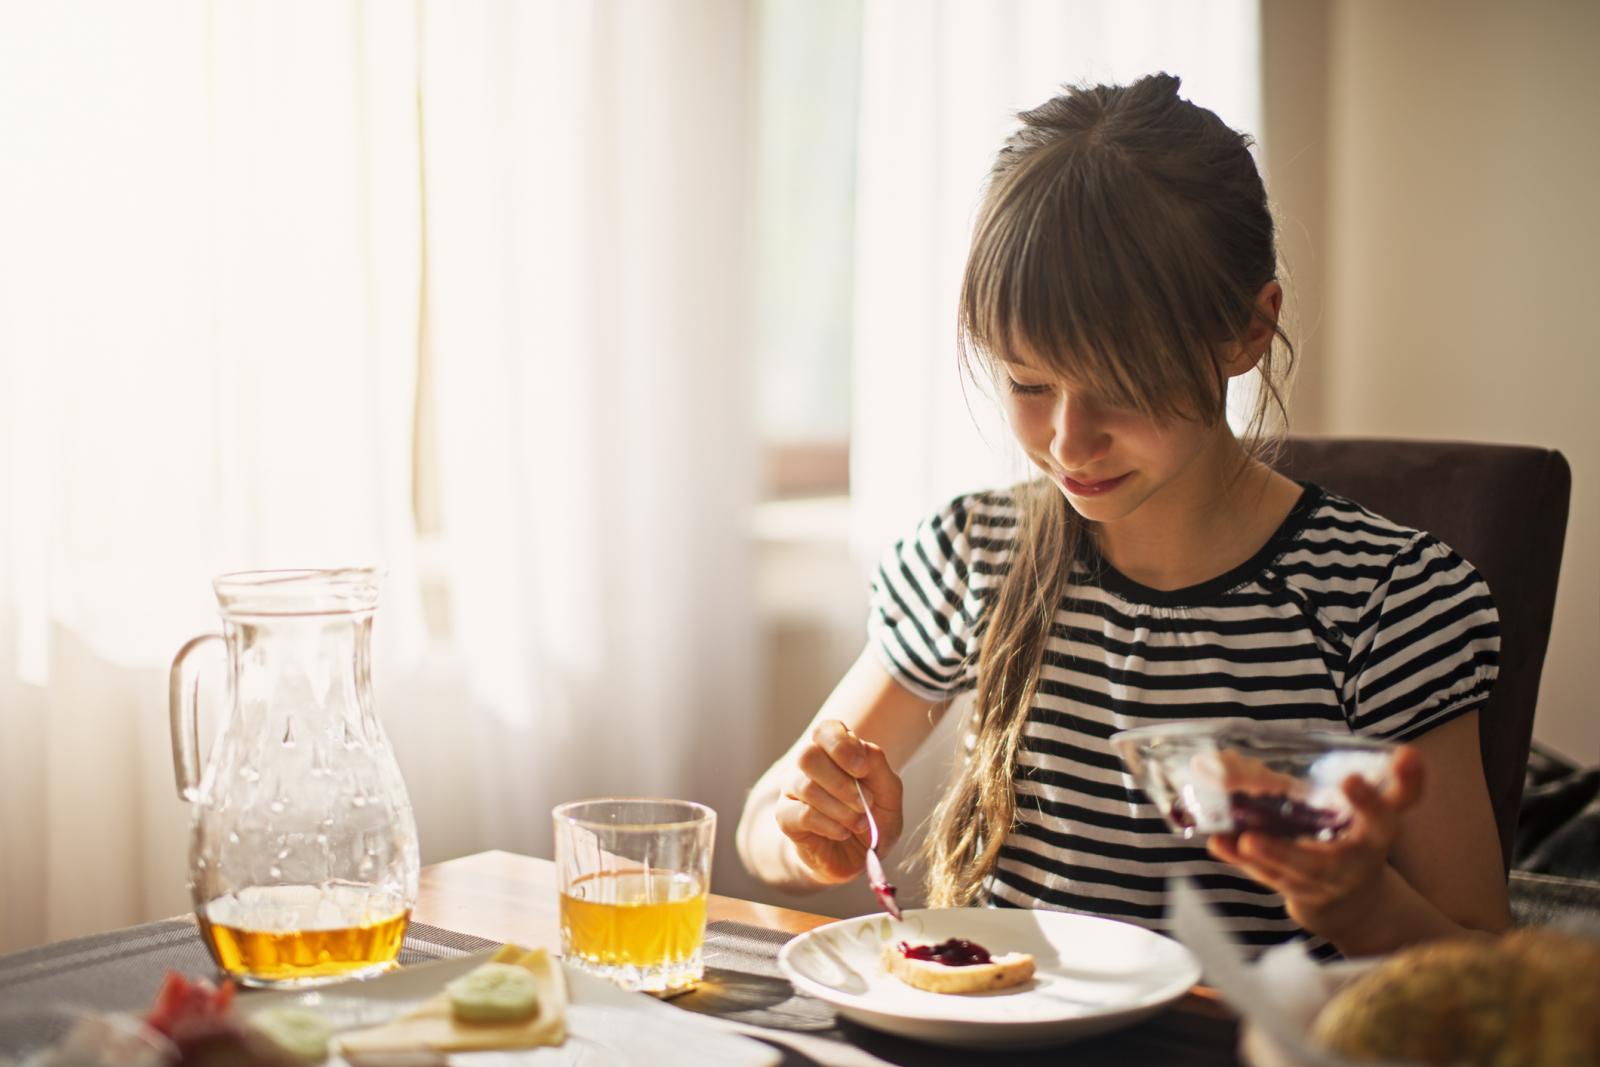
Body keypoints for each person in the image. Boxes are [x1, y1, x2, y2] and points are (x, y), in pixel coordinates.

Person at [736, 73, 1509, 959]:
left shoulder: (1389, 602)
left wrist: (1361, 904)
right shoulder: (974, 558)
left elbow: (1486, 964)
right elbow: (760, 825)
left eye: (1121, 385)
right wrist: (810, 825)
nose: (1070, 441)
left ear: (1248, 333)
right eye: (1029, 382)